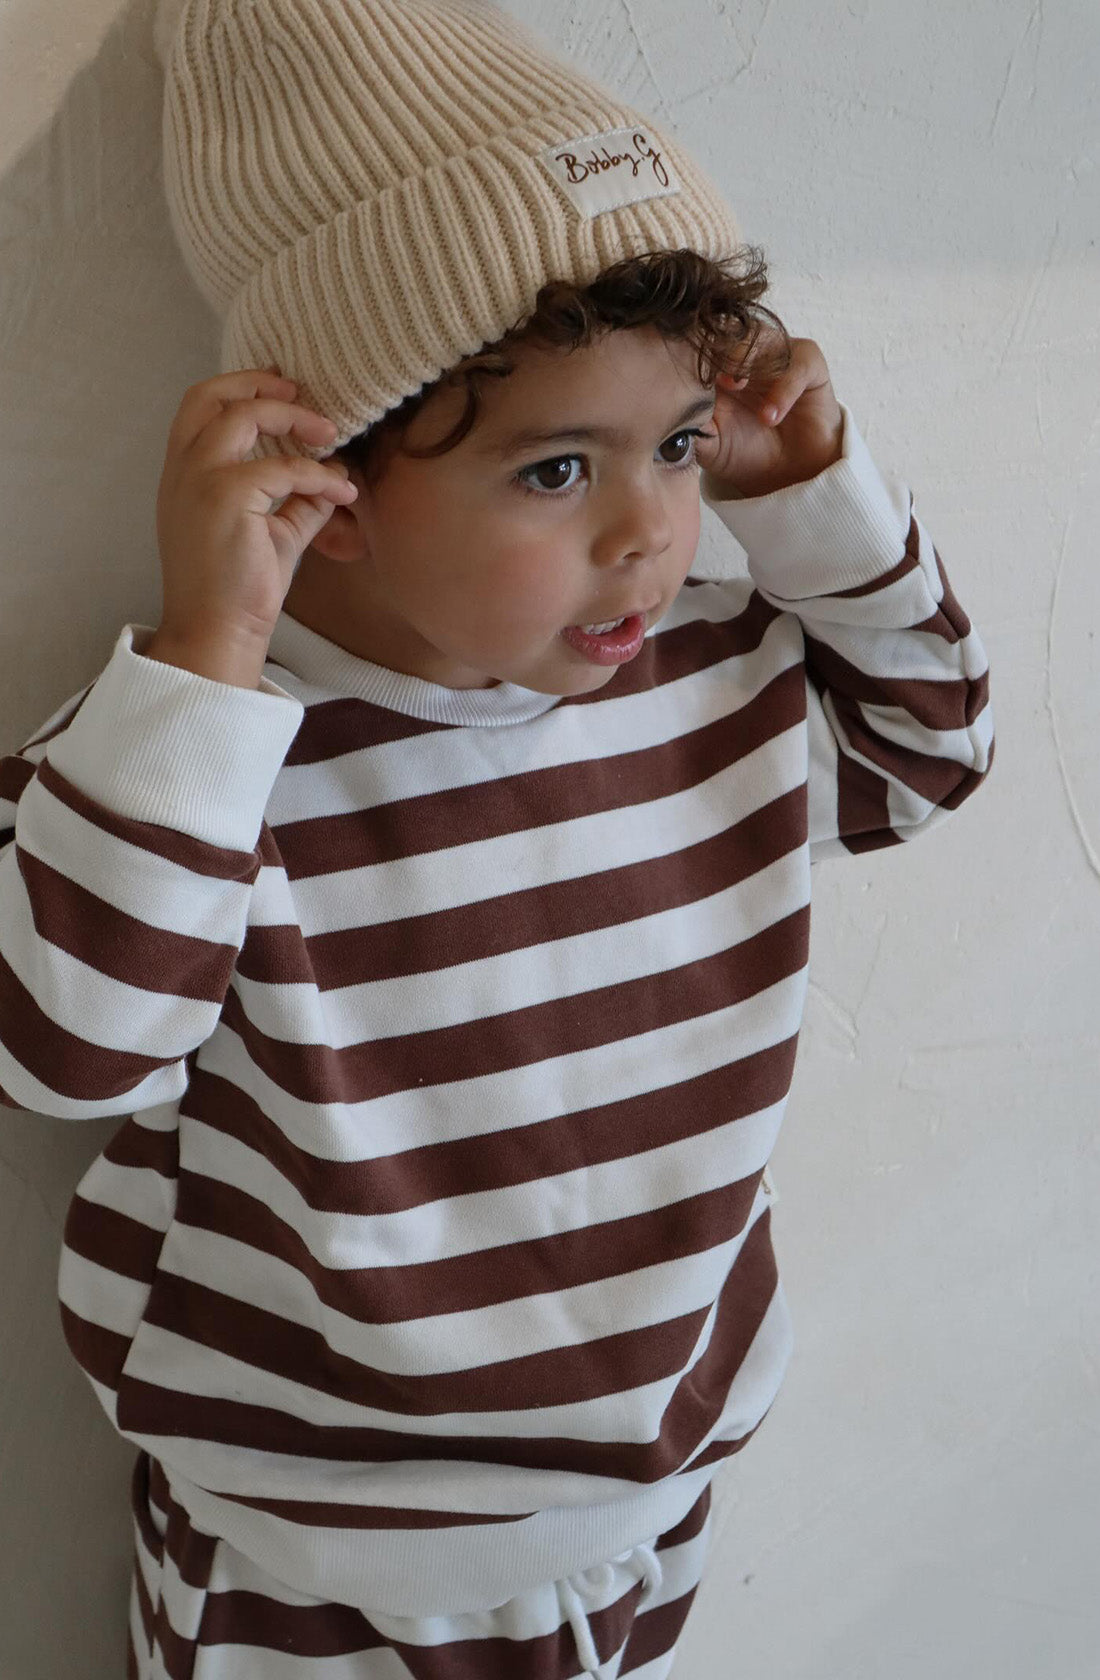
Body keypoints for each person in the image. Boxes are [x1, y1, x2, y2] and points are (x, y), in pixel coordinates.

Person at [0, 1, 993, 1675]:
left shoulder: (722, 670)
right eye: (555, 470)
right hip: (322, 1548)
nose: (650, 531)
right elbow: (71, 1053)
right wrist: (207, 651)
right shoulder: (207, 757)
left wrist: (813, 486)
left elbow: (929, 752)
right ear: (321, 483)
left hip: (659, 1480)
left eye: (681, 444)